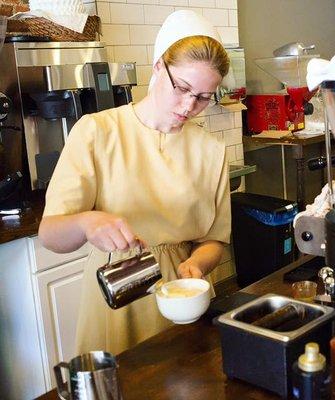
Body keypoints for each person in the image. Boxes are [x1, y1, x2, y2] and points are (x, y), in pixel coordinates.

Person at [37, 10, 232, 355]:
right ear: (158, 66)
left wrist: (197, 264)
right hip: (117, 292)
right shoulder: (97, 132)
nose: (189, 105)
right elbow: (51, 234)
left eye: (203, 97)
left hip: (183, 295)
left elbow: (214, 240)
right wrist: (86, 222)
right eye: (182, 88)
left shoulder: (211, 150)